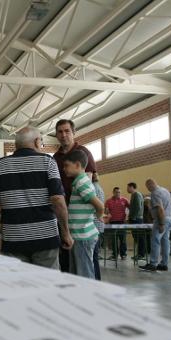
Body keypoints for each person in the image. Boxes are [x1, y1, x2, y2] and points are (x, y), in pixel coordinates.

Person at [0, 127, 72, 269]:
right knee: (48, 286)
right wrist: (66, 233)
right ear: (37, 142)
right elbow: (58, 201)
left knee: (19, 287)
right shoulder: (48, 162)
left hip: (13, 241)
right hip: (45, 239)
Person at [52, 119, 97, 272]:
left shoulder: (84, 153)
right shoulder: (55, 158)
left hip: (81, 220)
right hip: (63, 215)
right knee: (67, 260)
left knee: (86, 262)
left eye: (67, 131)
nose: (63, 135)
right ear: (56, 135)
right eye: (60, 132)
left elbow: (88, 183)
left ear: (73, 133)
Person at [62, 150, 104, 279]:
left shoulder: (82, 183)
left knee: (84, 273)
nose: (64, 169)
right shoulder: (78, 182)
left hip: (84, 237)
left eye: (66, 166)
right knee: (77, 273)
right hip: (78, 236)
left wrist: (99, 215)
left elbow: (99, 205)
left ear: (77, 165)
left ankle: (88, 296)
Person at [139, 179, 171, 272]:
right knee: (165, 241)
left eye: (147, 187)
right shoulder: (165, 190)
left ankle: (153, 264)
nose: (148, 189)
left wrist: (161, 223)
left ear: (150, 185)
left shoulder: (155, 193)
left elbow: (160, 209)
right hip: (169, 218)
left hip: (161, 219)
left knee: (155, 241)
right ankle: (164, 264)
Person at [105, 186, 129, 260]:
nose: (118, 193)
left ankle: (123, 254)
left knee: (123, 239)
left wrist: (127, 218)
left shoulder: (124, 200)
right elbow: (106, 211)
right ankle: (115, 255)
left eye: (119, 192)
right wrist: (107, 217)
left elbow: (130, 208)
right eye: (116, 192)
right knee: (114, 240)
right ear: (113, 192)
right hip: (112, 222)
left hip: (122, 222)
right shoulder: (108, 201)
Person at [127, 182, 146, 261]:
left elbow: (138, 206)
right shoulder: (135, 195)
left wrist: (133, 217)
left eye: (128, 187)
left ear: (132, 187)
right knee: (137, 237)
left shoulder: (136, 194)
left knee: (139, 237)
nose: (127, 189)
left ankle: (141, 254)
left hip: (136, 219)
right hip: (136, 219)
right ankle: (139, 253)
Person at [92, 172, 105, 280]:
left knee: (93, 256)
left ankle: (96, 279)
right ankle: (97, 279)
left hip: (93, 225)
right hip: (99, 226)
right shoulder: (100, 188)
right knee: (95, 256)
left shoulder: (92, 188)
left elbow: (98, 208)